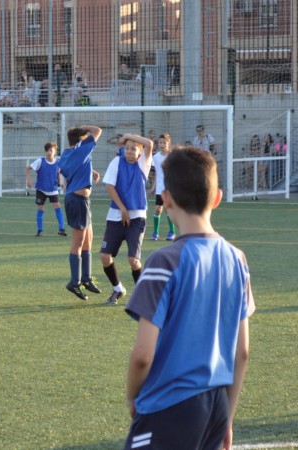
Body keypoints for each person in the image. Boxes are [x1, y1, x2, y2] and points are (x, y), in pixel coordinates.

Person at [123, 147, 254, 450]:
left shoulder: (164, 263)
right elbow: (242, 351)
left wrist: (132, 397)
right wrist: (228, 418)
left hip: (168, 407)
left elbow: (143, 354)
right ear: (217, 197)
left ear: (166, 198)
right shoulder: (237, 259)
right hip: (216, 406)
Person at [100, 133, 154, 305]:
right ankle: (118, 288)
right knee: (105, 256)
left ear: (140, 153)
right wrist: (123, 208)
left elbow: (150, 143)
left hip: (137, 217)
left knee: (133, 260)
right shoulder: (117, 162)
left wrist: (128, 136)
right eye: (127, 148)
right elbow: (110, 186)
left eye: (134, 149)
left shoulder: (142, 165)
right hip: (116, 216)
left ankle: (143, 294)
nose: (129, 152)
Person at [59, 125, 103, 300]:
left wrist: (89, 171)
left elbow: (69, 169)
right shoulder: (82, 149)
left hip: (78, 199)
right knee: (78, 241)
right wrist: (83, 127)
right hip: (78, 200)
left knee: (89, 238)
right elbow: (98, 130)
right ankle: (74, 282)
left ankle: (86, 277)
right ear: (82, 140)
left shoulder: (66, 153)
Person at [25, 142, 67, 237]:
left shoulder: (58, 162)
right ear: (45, 151)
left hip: (53, 189)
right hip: (41, 189)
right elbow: (27, 169)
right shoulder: (40, 161)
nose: (49, 152)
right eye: (47, 150)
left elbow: (58, 173)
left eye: (51, 150)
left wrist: (60, 182)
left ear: (55, 151)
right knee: (41, 209)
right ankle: (39, 230)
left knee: (58, 208)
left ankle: (61, 229)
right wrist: (28, 180)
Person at [149, 133, 176, 241]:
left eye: (164, 142)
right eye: (160, 142)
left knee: (168, 210)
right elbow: (157, 173)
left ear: (169, 143)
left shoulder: (172, 156)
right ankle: (155, 233)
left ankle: (172, 232)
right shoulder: (155, 157)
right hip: (160, 188)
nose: (162, 144)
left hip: (170, 187)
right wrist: (153, 186)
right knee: (158, 210)